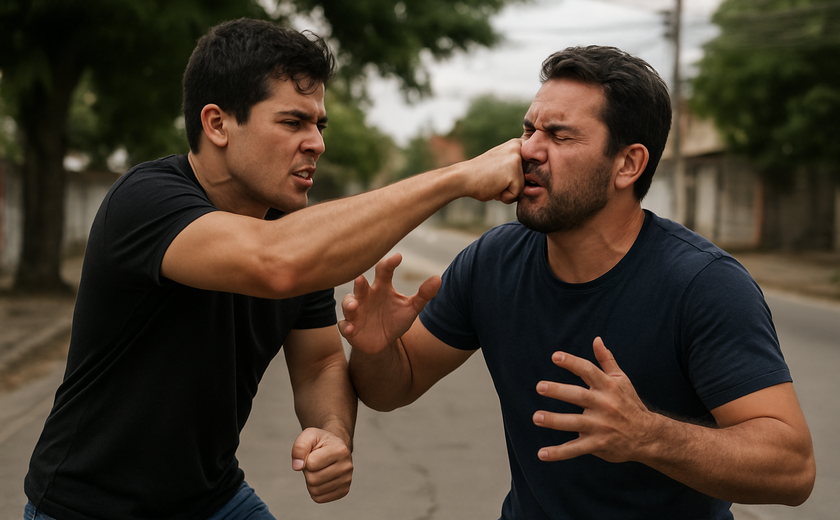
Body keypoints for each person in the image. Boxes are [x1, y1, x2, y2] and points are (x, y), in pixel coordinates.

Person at [23, 18, 524, 520]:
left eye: (318, 125)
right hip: (88, 508)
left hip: (213, 497)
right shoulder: (146, 200)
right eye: (293, 122)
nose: (316, 143)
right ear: (217, 124)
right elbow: (274, 263)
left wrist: (332, 432)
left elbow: (320, 364)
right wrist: (456, 178)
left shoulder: (295, 233)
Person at [340, 46, 816, 519]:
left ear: (627, 165)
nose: (528, 150)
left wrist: (648, 435)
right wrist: (376, 349)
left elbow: (792, 470)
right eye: (529, 129)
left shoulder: (703, 285)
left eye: (559, 135)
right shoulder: (493, 261)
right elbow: (392, 388)